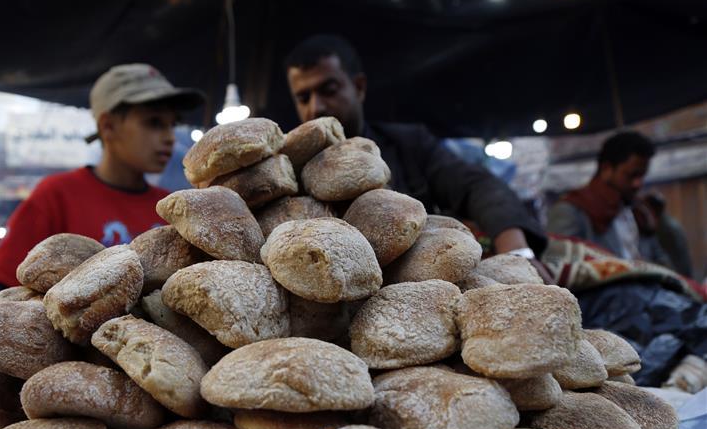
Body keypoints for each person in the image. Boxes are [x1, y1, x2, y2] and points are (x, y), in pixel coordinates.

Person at [283, 34, 547, 262]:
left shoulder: (409, 144)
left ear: (359, 87)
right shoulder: (288, 170)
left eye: (328, 90)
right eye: (303, 98)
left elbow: (476, 186)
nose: (315, 107)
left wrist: (517, 250)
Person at [0, 64, 204, 303]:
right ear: (107, 126)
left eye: (173, 124)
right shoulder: (56, 196)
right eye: (154, 123)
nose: (169, 137)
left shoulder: (171, 207)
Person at [547, 130, 687, 272]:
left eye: (642, 176)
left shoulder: (639, 211)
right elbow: (560, 269)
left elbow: (660, 260)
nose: (638, 183)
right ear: (607, 168)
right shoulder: (571, 211)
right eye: (632, 175)